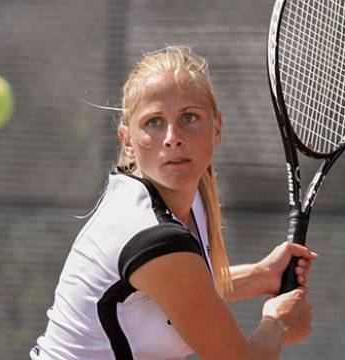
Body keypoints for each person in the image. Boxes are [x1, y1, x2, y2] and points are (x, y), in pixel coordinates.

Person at [30, 45, 318, 360]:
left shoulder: (180, 200)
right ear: (127, 141)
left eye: (189, 117)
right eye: (154, 122)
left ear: (216, 127)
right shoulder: (153, 235)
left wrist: (260, 276)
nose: (172, 136)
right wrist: (278, 324)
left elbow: (180, 291)